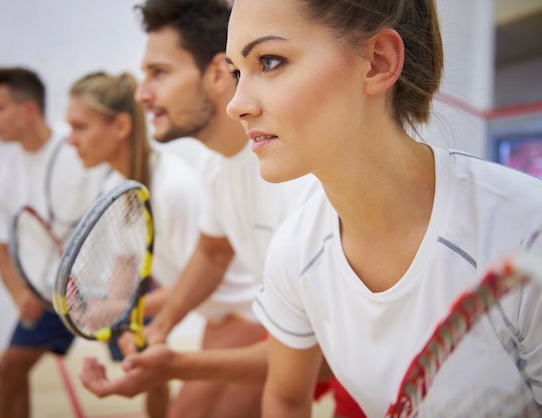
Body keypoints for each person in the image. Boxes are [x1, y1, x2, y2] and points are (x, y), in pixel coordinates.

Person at [223, 0, 542, 417]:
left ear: (378, 62)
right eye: (236, 71)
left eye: (269, 61)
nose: (236, 104)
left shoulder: (528, 231)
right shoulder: (294, 250)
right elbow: (285, 399)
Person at [80, 0, 363, 417]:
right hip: (285, 332)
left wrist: (176, 363)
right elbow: (213, 253)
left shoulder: (305, 176)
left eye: (159, 73)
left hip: (338, 356)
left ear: (215, 73)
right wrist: (162, 327)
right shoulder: (215, 167)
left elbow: (323, 351)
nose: (141, 94)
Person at [66, 70, 263, 418]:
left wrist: (128, 312)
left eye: (80, 127)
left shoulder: (174, 188)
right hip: (218, 318)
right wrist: (117, 310)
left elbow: (201, 279)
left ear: (122, 128)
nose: (70, 140)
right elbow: (126, 272)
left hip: (250, 313)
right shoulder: (118, 187)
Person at [0, 66, 106, 418]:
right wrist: (20, 295)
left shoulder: (81, 147)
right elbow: (3, 252)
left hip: (111, 288)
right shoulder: (7, 178)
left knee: (147, 370)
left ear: (28, 109)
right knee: (10, 368)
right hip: (53, 294)